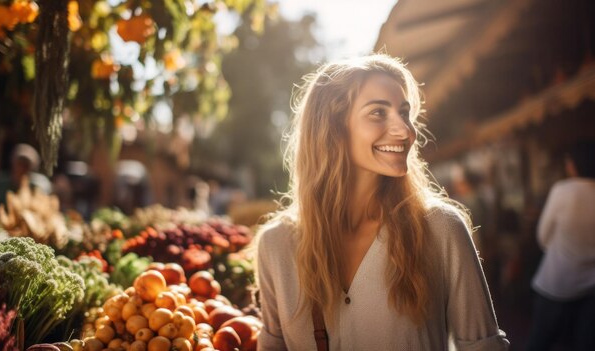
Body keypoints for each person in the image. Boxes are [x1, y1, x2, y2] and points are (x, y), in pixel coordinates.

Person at [255, 54, 509, 350]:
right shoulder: (275, 245)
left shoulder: (442, 229)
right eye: (378, 113)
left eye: (405, 113)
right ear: (333, 127)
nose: (406, 131)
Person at [526, 141, 595, 351]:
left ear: (572, 164)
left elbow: (543, 237)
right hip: (591, 287)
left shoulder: (563, 190)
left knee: (539, 342)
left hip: (556, 283)